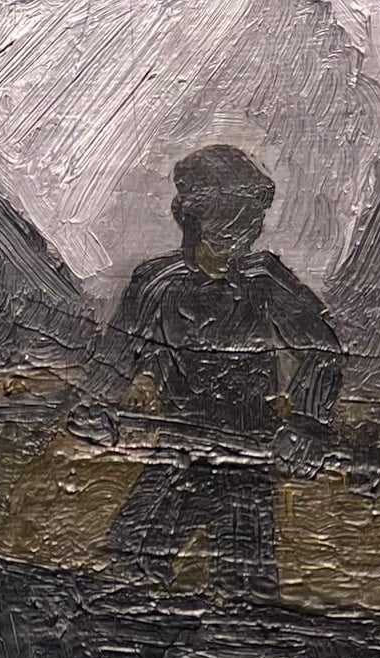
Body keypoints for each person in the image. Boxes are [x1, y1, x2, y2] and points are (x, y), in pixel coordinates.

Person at [91, 144, 342, 601]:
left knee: (247, 593)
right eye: (232, 220)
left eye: (251, 221)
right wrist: (103, 406)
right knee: (129, 562)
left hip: (245, 461)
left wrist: (306, 424)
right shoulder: (154, 283)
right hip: (178, 453)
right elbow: (113, 360)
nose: (246, 233)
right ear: (194, 219)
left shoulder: (265, 280)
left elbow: (323, 350)